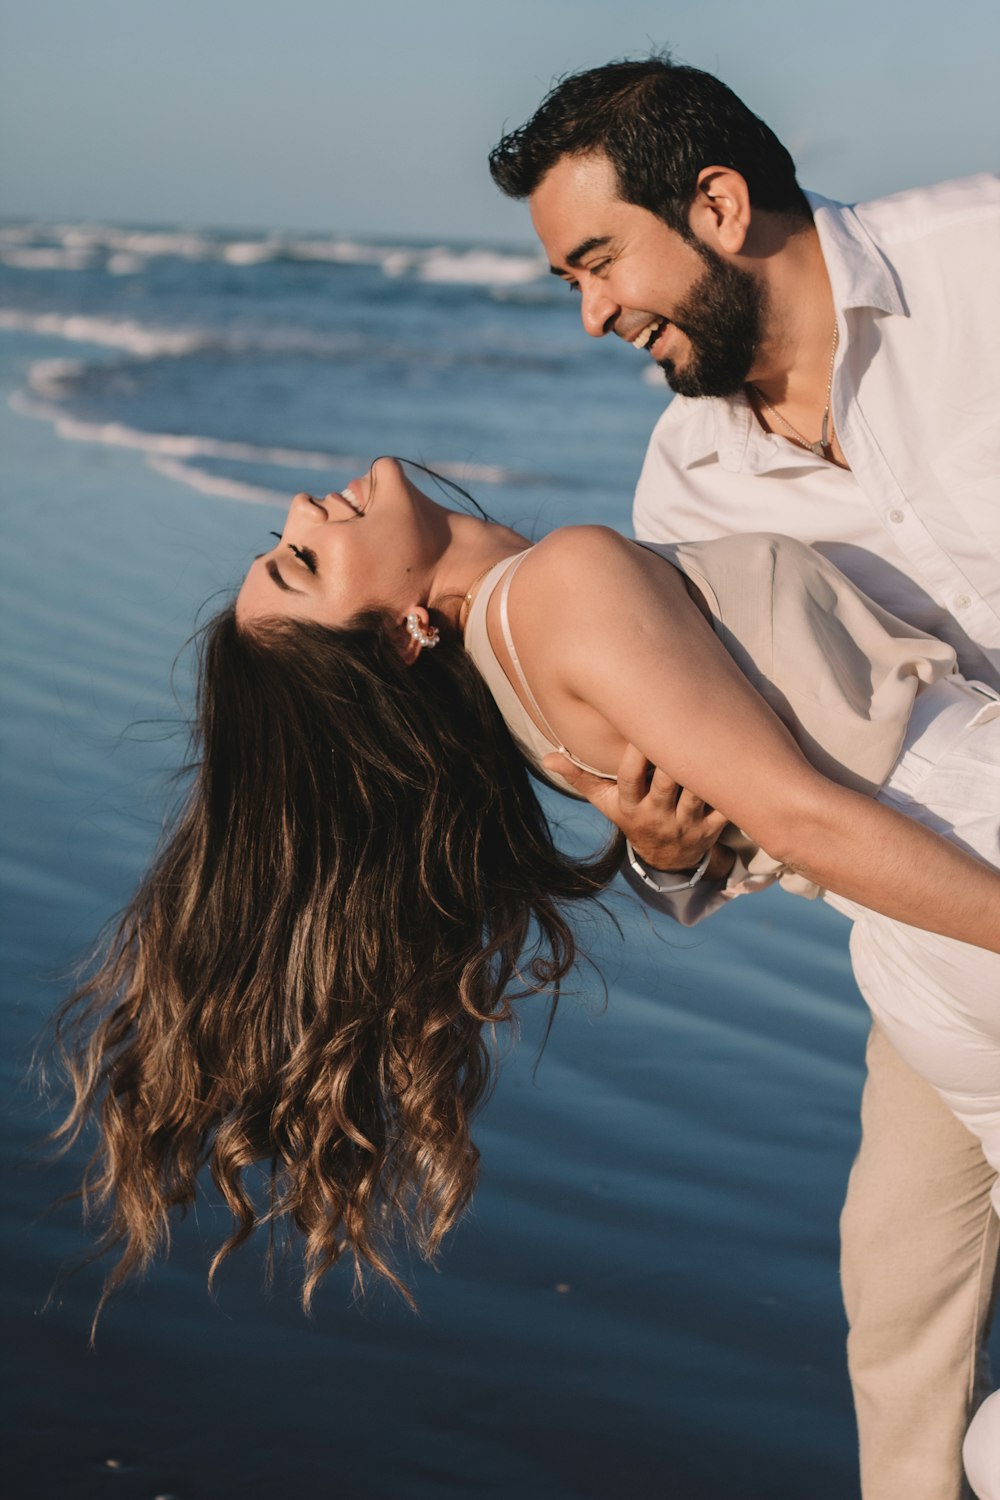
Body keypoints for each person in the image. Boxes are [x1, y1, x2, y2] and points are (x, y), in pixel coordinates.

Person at [58, 465, 1000, 1427]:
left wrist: (661, 857)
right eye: (303, 561)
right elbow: (803, 821)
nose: (303, 508)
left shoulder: (522, 686)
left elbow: (758, 824)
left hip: (924, 937)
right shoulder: (561, 586)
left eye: (282, 537)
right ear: (404, 633)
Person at [488, 54, 1000, 1500]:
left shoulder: (986, 263)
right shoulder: (684, 488)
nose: (594, 313)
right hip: (940, 913)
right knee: (896, 1295)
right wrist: (658, 843)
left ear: (717, 204)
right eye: (569, 280)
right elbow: (742, 810)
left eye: (599, 259)